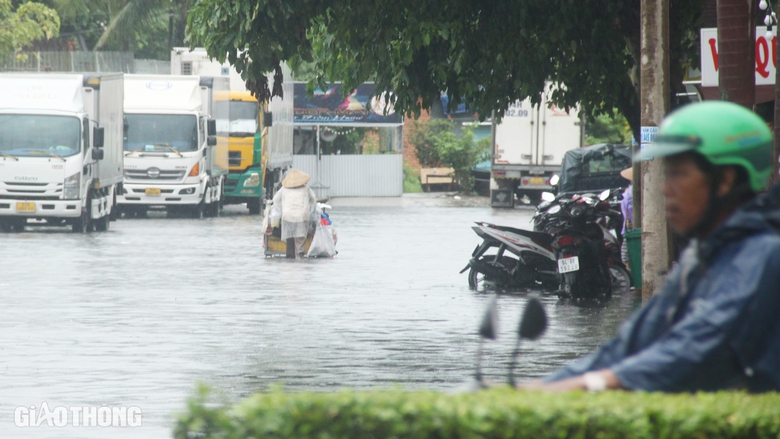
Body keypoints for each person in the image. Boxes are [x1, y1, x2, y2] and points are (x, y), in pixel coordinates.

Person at [522, 101, 780, 393]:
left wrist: (586, 385)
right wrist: (531, 389)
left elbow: (684, 359)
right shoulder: (699, 258)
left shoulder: (762, 257)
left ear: (725, 180)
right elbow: (629, 346)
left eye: (679, 174)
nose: (665, 188)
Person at [272, 169, 317, 259]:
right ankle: (299, 257)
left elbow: (276, 200)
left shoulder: (284, 189)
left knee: (290, 235)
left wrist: (284, 206)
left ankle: (290, 257)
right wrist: (309, 206)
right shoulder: (306, 188)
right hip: (302, 216)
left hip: (288, 216)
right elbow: (313, 199)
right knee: (300, 238)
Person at [619, 167, 634, 267]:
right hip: (629, 223)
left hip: (631, 224)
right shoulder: (630, 190)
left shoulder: (631, 191)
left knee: (626, 253)